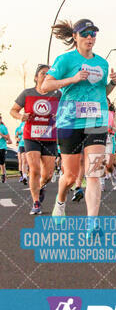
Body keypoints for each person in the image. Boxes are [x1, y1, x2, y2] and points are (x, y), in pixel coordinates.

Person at [41, 19, 116, 225]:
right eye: (85, 33)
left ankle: (92, 222)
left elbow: (102, 91)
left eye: (93, 33)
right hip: (69, 121)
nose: (90, 37)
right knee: (70, 175)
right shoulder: (65, 60)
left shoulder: (102, 62)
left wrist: (112, 83)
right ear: (75, 36)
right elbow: (45, 86)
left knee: (94, 172)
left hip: (96, 120)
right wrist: (72, 79)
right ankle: (60, 202)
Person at [10, 65, 60, 214]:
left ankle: (41, 186)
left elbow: (67, 109)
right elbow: (13, 110)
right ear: (36, 77)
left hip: (50, 137)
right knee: (34, 169)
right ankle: (36, 202)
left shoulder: (57, 94)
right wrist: (21, 116)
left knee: (48, 175)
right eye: (43, 73)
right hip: (31, 136)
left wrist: (60, 116)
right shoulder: (27, 93)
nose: (45, 76)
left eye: (48, 74)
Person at [0, 115, 12, 183]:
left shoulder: (3, 127)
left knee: (1, 163)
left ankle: (3, 175)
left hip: (2, 147)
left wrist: (1, 134)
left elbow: (8, 138)